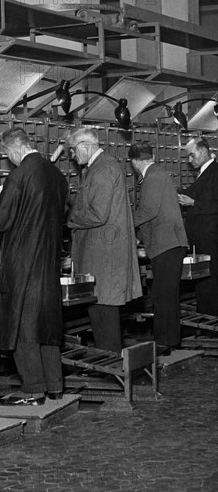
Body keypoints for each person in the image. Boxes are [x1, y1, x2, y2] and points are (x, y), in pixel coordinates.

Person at [0, 127, 68, 400]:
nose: (9, 159)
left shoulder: (19, 176)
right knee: (46, 326)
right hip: (48, 260)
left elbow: (1, 221)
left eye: (8, 154)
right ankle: (54, 387)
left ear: (15, 149)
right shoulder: (57, 175)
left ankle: (33, 389)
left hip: (23, 262)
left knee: (22, 327)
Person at [65, 126, 142, 353]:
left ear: (86, 146)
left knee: (104, 314)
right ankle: (111, 366)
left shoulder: (103, 170)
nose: (71, 155)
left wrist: (69, 217)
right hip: (101, 255)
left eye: (73, 150)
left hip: (103, 257)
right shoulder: (99, 168)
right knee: (100, 314)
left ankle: (113, 369)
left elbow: (97, 214)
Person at [129, 143, 188, 352]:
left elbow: (148, 211)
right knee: (165, 295)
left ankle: (165, 343)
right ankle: (169, 340)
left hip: (166, 245)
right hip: (169, 244)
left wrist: (125, 222)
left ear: (134, 162)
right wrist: (137, 237)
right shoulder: (158, 174)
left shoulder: (152, 177)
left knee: (163, 296)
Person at [178, 137, 218, 316]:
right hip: (202, 237)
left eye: (192, 156)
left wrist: (193, 203)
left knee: (210, 281)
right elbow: (193, 191)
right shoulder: (204, 171)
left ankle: (210, 319)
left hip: (210, 236)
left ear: (203, 151)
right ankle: (207, 316)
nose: (189, 160)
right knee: (204, 280)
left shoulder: (215, 171)